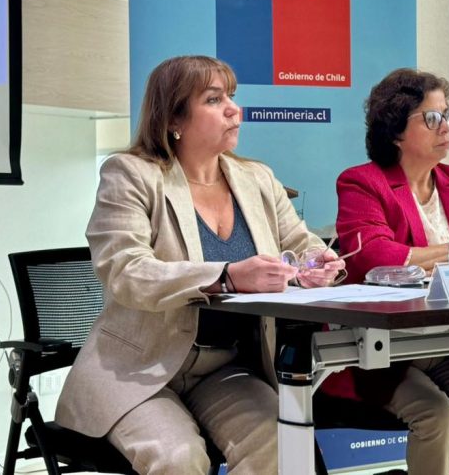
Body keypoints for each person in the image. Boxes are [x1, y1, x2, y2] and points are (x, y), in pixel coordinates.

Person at [54, 55, 344, 475]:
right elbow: (126, 270)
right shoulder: (130, 174)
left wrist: (318, 262)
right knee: (179, 458)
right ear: (174, 117)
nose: (234, 109)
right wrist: (225, 276)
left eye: (232, 96)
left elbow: (299, 242)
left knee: (284, 443)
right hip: (140, 369)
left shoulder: (258, 178)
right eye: (213, 99)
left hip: (227, 366)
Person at [320, 68, 449, 475]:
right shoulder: (362, 183)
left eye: (447, 115)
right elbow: (375, 256)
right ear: (396, 131)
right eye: (432, 118)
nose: (445, 127)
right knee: (437, 415)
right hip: (384, 351)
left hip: (448, 342)